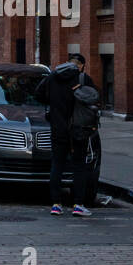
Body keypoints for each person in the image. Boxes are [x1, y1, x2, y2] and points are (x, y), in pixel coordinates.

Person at [35, 56, 98, 217]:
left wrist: (55, 105)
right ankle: (78, 204)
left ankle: (56, 204)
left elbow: (39, 95)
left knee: (57, 164)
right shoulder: (83, 78)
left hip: (58, 128)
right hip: (79, 128)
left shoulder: (52, 77)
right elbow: (94, 98)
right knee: (79, 165)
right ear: (81, 66)